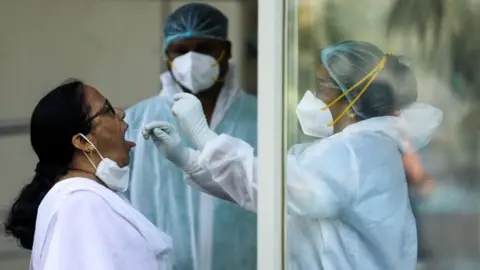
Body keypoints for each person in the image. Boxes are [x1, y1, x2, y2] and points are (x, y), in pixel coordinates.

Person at [142, 41, 444, 269]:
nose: (313, 96)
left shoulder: (355, 153)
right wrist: (190, 160)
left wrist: (204, 137)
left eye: (323, 86)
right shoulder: (357, 149)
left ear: (352, 97)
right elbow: (268, 192)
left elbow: (276, 191)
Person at [125, 3, 257, 270]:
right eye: (181, 51)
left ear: (226, 50)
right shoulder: (137, 121)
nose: (192, 60)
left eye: (204, 49)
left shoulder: (262, 117)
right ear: (167, 55)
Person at [3, 80, 172, 270]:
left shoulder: (86, 197)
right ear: (82, 142)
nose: (121, 113)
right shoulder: (80, 202)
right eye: (107, 110)